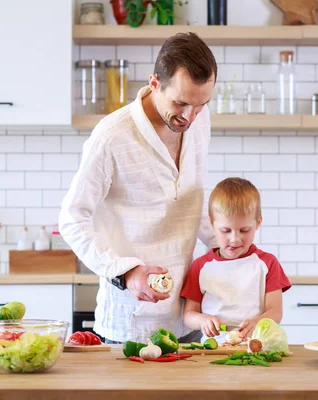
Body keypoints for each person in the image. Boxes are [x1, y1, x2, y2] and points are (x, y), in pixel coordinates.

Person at [59, 32, 218, 344]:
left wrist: (231, 249)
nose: (190, 116)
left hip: (189, 319)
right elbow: (72, 219)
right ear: (155, 83)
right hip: (129, 326)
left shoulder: (199, 119)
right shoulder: (112, 136)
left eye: (201, 105)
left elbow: (191, 199)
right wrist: (127, 273)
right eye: (181, 103)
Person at [180, 177, 291, 344]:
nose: (234, 239)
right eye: (225, 230)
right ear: (211, 223)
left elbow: (275, 312)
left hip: (255, 347)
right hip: (213, 349)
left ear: (258, 223)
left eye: (244, 230)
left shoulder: (267, 264)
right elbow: (189, 315)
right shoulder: (201, 266)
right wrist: (203, 320)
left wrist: (257, 322)